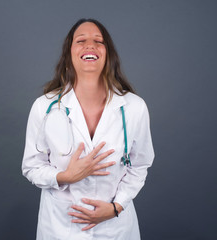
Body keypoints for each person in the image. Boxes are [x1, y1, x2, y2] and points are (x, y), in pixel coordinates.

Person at [21, 18, 155, 240]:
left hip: (115, 227)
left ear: (108, 54)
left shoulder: (133, 107)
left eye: (98, 41)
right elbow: (31, 166)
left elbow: (140, 164)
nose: (90, 45)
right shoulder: (44, 107)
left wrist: (116, 207)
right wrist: (66, 176)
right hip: (61, 227)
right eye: (81, 40)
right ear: (69, 55)